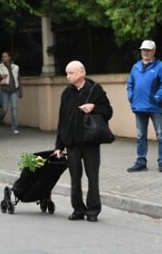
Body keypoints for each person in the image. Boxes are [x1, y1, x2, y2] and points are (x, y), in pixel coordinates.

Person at [53, 61, 113, 222]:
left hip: (90, 142)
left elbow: (108, 111)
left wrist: (94, 107)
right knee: (75, 177)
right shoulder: (67, 93)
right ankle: (78, 209)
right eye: (67, 73)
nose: (68, 76)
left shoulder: (95, 90)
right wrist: (59, 146)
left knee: (92, 177)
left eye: (71, 73)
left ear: (81, 73)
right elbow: (62, 119)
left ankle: (93, 210)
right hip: (72, 142)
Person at [126, 39, 162, 173]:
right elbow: (130, 84)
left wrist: (157, 97)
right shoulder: (135, 67)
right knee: (140, 136)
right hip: (139, 107)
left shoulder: (161, 66)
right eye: (143, 50)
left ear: (154, 51)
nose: (145, 52)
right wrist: (131, 97)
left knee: (160, 135)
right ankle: (141, 162)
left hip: (154, 107)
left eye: (148, 50)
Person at [0, 51, 21, 134]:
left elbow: (18, 79)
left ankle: (15, 128)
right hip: (4, 90)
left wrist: (20, 91)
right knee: (4, 110)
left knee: (14, 109)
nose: (4, 58)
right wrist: (0, 77)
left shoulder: (15, 67)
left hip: (14, 90)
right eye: (3, 56)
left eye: (5, 56)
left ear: (9, 58)